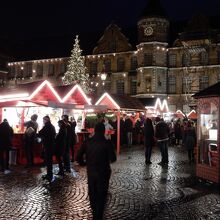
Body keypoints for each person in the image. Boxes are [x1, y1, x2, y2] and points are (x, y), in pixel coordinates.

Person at [76, 122, 116, 220]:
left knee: (92, 193)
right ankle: (99, 215)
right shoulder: (107, 143)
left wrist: (83, 163)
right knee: (102, 194)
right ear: (103, 131)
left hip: (91, 171)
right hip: (104, 172)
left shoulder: (87, 142)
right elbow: (113, 158)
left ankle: (95, 213)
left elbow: (78, 157)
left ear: (94, 130)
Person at [39, 116, 56, 182]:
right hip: (51, 145)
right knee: (49, 160)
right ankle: (49, 174)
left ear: (46, 120)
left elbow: (40, 132)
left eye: (43, 120)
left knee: (48, 160)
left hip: (48, 145)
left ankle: (49, 175)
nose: (43, 121)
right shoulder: (52, 126)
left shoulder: (46, 126)